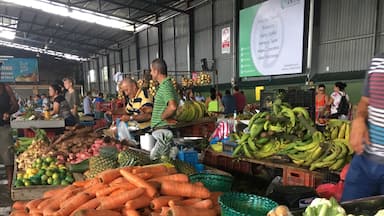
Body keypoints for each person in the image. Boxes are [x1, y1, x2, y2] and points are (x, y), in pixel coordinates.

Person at [342, 55, 384, 201]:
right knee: (347, 209)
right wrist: (359, 118)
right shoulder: (378, 62)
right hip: (363, 163)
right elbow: (365, 102)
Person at [150, 58, 178, 129]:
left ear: (156, 71)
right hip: (161, 128)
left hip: (162, 128)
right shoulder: (165, 85)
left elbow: (172, 107)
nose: (151, 73)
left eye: (151, 70)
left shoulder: (165, 86)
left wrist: (163, 116)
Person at [0, 83, 19, 189]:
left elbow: (16, 106)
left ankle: (10, 184)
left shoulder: (6, 88)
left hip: (4, 128)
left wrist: (9, 112)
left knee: (8, 156)